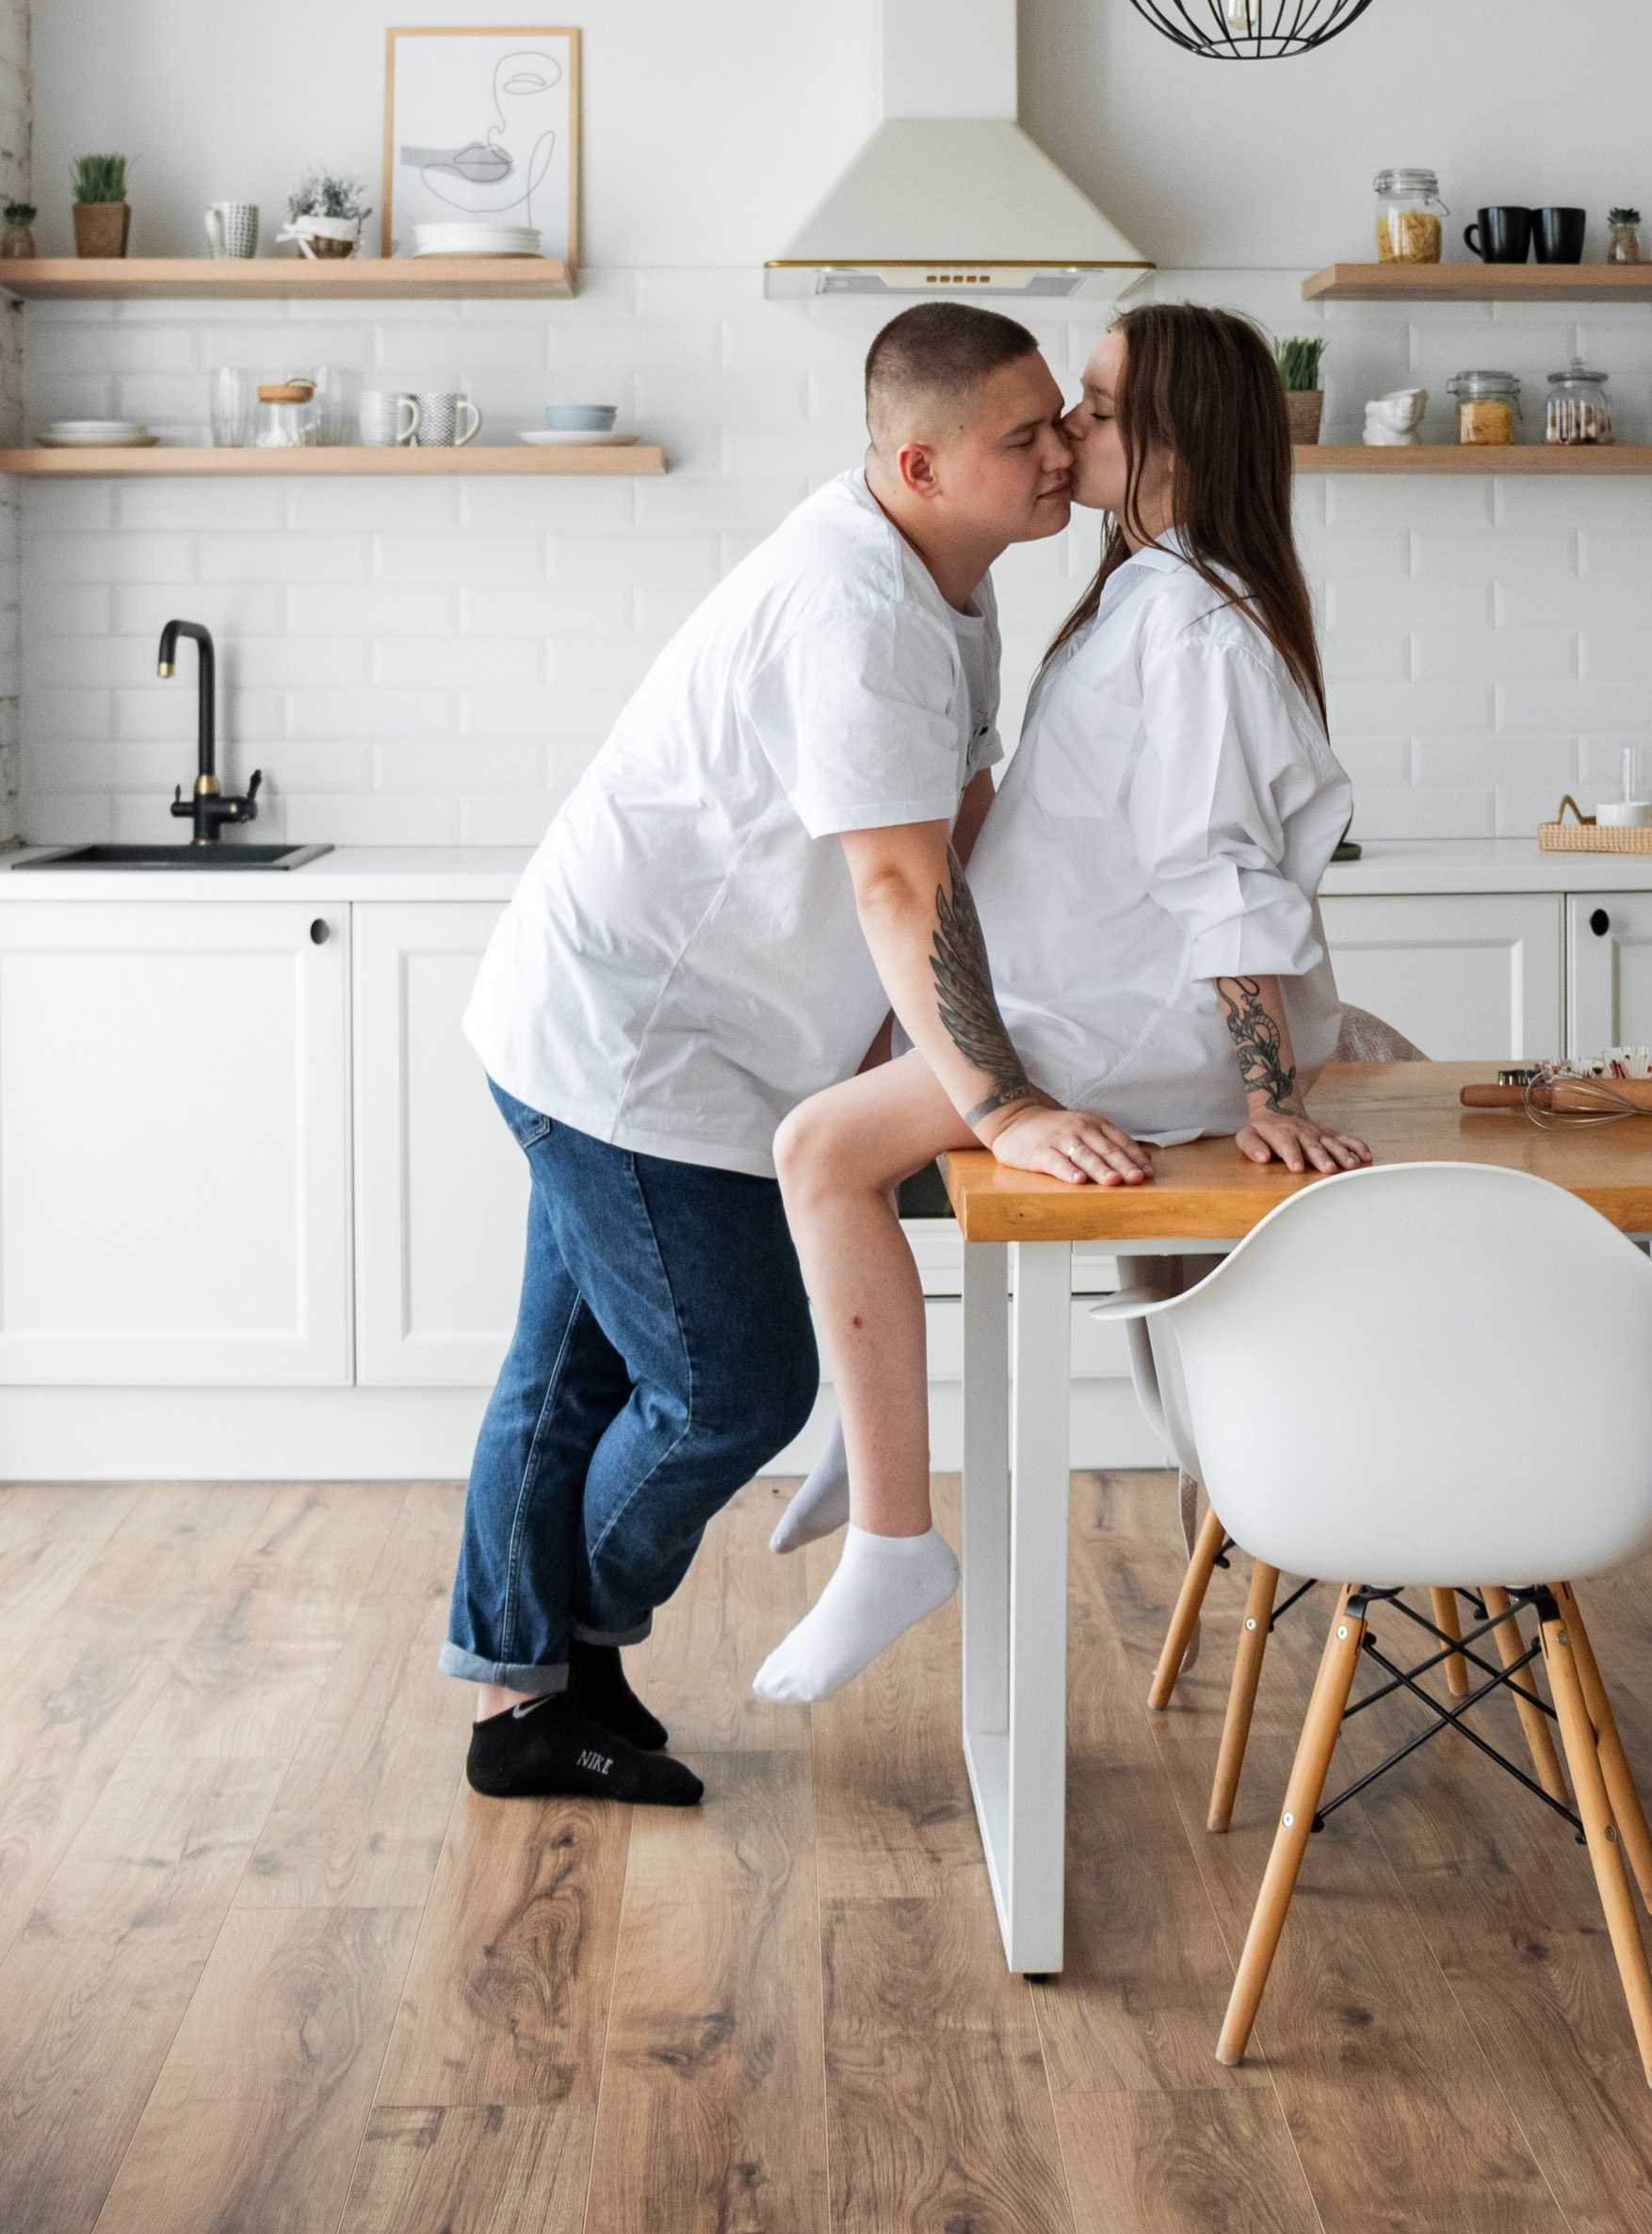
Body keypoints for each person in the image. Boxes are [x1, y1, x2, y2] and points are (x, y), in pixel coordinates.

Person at [445, 299, 1142, 1807]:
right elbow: (896, 885)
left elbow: (942, 845)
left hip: (675, 1027)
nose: (1058, 451)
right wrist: (999, 1098)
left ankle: (525, 1698)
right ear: (919, 459)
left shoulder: (950, 578)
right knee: (727, 1388)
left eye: (1060, 419)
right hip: (630, 1041)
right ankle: (561, 1649)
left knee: (564, 1383)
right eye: (1023, 435)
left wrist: (923, 1061)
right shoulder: (865, 612)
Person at [755, 300, 1370, 1708]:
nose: (1069, 433)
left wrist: (1270, 1093)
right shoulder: (1148, 592)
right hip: (1082, 997)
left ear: (1177, 438)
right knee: (825, 1107)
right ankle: (868, 1427)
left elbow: (1220, 874)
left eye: (1094, 405)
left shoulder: (1196, 623)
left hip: (1124, 1026)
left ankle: (895, 1531)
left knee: (818, 1151)